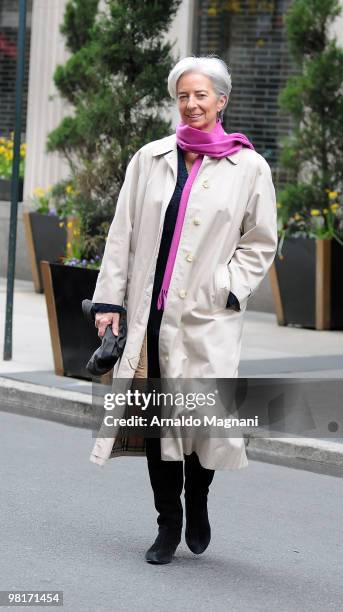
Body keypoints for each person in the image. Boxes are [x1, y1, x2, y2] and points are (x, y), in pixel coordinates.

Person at [89, 56, 278, 564]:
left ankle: (199, 502)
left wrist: (228, 288)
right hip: (149, 317)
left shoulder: (249, 167)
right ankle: (167, 523)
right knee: (157, 420)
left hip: (207, 318)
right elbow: (122, 233)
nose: (192, 105)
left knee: (202, 417)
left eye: (201, 95)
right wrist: (109, 301)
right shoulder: (150, 158)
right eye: (183, 96)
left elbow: (260, 242)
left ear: (222, 100)